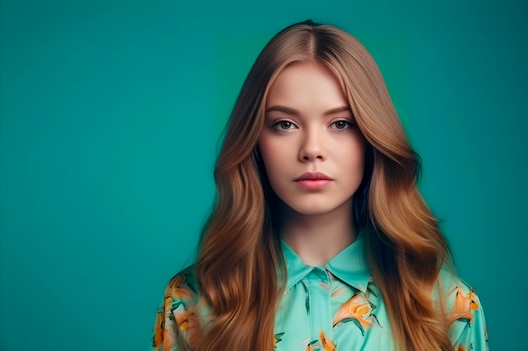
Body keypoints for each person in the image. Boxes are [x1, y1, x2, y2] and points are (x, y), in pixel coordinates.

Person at [152, 20, 488, 351]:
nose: (312, 148)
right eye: (285, 124)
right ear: (255, 140)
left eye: (340, 123)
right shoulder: (191, 303)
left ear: (372, 138)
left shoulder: (448, 309)